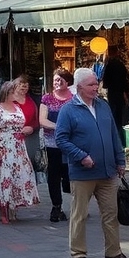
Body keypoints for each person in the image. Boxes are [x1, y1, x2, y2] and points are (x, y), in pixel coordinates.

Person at [56, 68, 129, 258]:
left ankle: (113, 252)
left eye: (96, 84)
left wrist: (120, 160)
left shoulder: (103, 106)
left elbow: (113, 134)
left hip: (107, 172)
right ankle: (78, 253)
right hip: (83, 173)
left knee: (111, 214)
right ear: (80, 86)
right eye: (91, 85)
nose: (95, 88)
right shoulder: (68, 109)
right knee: (79, 215)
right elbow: (61, 139)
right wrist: (81, 156)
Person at [0, 79, 40, 224]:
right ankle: (3, 208)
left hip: (18, 146)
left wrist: (26, 130)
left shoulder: (17, 108)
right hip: (4, 144)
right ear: (7, 93)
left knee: (16, 175)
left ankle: (13, 206)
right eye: (13, 92)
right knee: (3, 176)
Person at [40, 69, 74, 223]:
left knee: (69, 175)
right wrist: (60, 127)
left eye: (61, 80)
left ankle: (72, 206)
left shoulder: (74, 99)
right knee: (53, 175)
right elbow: (43, 120)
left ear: (68, 82)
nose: (57, 83)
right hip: (52, 143)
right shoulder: (47, 98)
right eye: (55, 80)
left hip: (71, 144)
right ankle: (56, 206)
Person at [100, 49, 129, 127]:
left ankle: (114, 127)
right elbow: (125, 78)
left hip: (112, 90)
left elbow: (105, 79)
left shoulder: (109, 65)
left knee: (113, 109)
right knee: (119, 111)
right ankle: (119, 127)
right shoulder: (120, 64)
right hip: (120, 91)